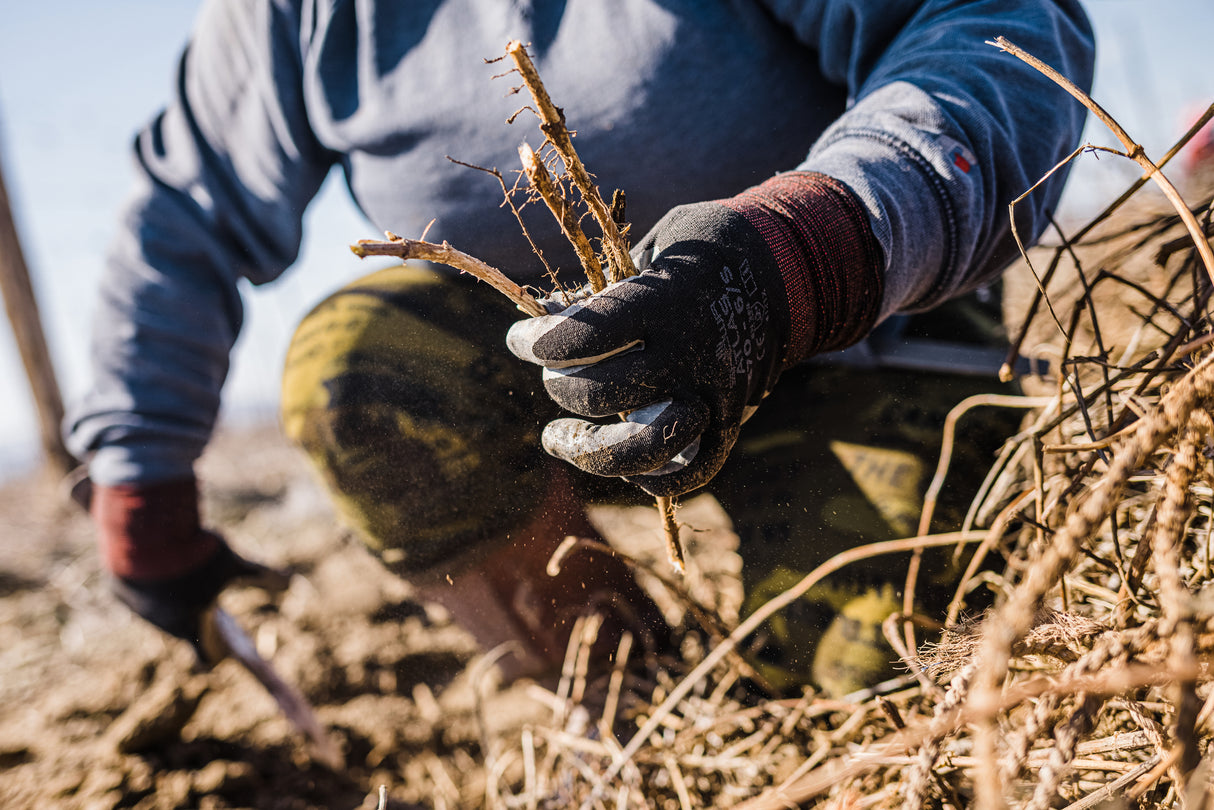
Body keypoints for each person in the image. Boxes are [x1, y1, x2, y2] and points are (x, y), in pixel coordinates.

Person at [68, 0, 1095, 692]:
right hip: (559, 376)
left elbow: (987, 33)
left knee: (863, 686)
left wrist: (800, 258)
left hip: (849, 324)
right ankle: (623, 708)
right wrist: (137, 482)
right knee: (360, 366)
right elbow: (184, 214)